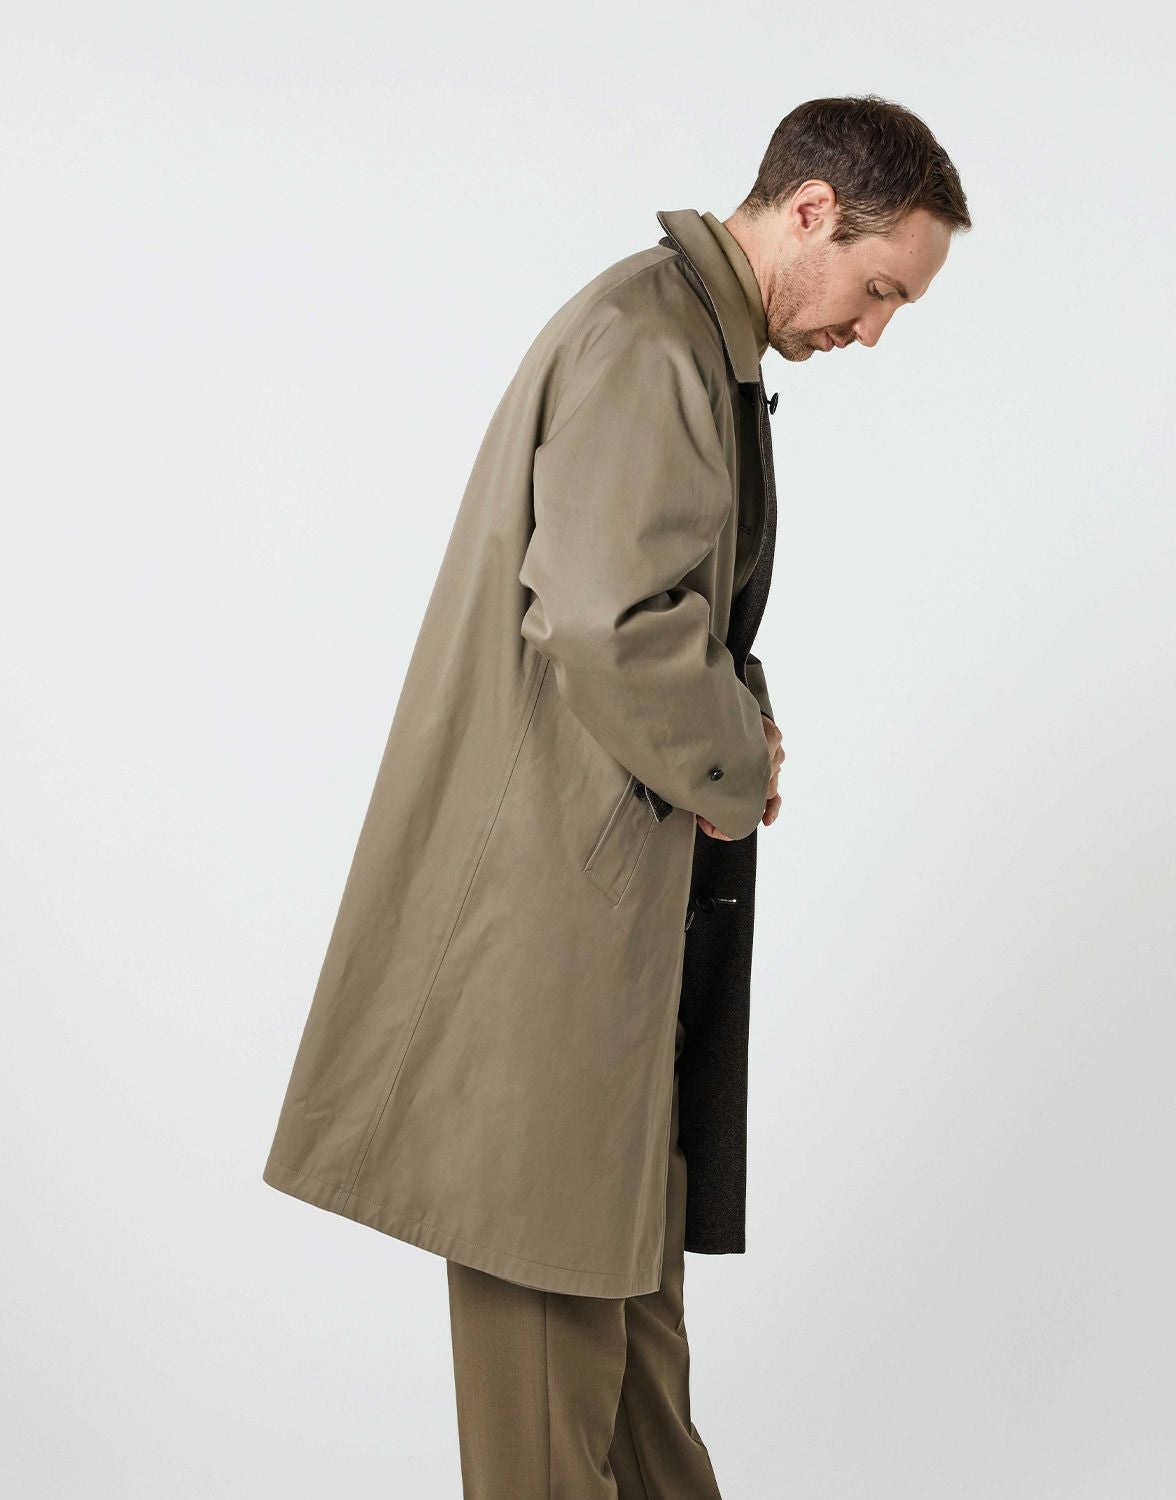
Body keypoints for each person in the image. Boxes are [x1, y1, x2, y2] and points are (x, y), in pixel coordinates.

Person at [262, 94, 970, 1498]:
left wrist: (736, 719)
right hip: (549, 931)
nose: (874, 331)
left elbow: (651, 607)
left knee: (634, 1362)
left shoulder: (689, 341)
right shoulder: (651, 342)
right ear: (811, 213)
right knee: (551, 1376)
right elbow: (604, 616)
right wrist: (732, 762)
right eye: (880, 289)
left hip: (602, 922)